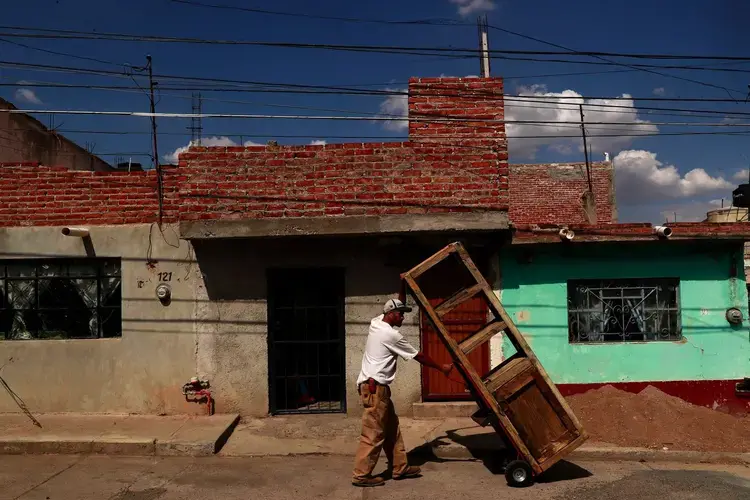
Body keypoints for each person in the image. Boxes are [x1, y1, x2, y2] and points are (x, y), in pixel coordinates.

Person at [352, 297, 454, 488]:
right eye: (401, 314)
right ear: (390, 314)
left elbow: (397, 301)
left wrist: (402, 284)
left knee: (392, 429)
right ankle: (361, 475)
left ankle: (400, 467)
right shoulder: (391, 335)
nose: (403, 318)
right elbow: (419, 356)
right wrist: (442, 368)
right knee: (373, 434)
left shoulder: (376, 323)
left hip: (378, 389)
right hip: (375, 389)